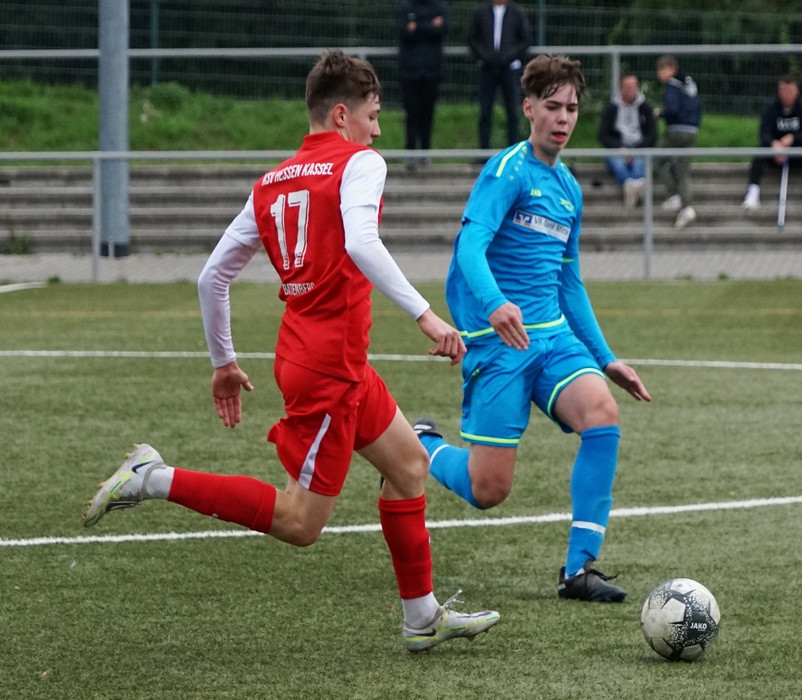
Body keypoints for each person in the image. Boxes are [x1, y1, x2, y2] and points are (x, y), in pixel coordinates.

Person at [83, 49, 499, 653]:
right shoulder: (360, 162)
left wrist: (224, 363)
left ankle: (421, 617)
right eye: (373, 115)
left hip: (327, 361)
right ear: (341, 115)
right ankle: (153, 478)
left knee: (409, 467)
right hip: (327, 369)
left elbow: (211, 278)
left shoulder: (272, 181)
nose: (378, 130)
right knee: (300, 522)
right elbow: (362, 242)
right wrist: (426, 315)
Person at [413, 54, 652, 603]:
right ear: (528, 108)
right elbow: (470, 247)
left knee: (602, 412)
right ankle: (423, 445)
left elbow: (570, 283)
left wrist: (606, 357)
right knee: (489, 489)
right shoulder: (507, 171)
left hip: (553, 339)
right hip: (499, 344)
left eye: (572, 108)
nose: (563, 118)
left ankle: (578, 569)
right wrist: (495, 303)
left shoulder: (569, 189)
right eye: (552, 106)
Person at [742, 73, 802, 210]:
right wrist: (774, 144)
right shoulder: (771, 107)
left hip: (798, 153)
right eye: (783, 90)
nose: (786, 94)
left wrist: (793, 138)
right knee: (760, 151)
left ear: (797, 91)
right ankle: (752, 192)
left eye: (790, 91)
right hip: (776, 154)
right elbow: (763, 133)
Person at [467, 0, 532, 154]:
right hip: (487, 69)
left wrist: (509, 56)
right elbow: (471, 38)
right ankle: (484, 152)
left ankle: (514, 152)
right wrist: (485, 56)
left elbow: (525, 39)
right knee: (485, 112)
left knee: (512, 112)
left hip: (509, 69)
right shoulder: (481, 12)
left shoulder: (517, 13)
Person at [398, 0, 449, 172]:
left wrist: (417, 26)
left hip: (432, 71)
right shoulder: (406, 7)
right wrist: (430, 26)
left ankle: (425, 152)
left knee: (428, 114)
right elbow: (405, 32)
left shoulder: (440, 7)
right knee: (411, 114)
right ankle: (410, 153)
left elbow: (441, 30)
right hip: (410, 71)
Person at [597, 72, 658, 208]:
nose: (629, 90)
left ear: (637, 87)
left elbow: (652, 135)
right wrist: (619, 146)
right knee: (617, 162)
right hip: (618, 148)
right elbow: (602, 134)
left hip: (640, 148)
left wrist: (635, 150)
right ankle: (634, 187)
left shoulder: (646, 108)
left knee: (639, 163)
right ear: (620, 88)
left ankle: (631, 189)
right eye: (626, 86)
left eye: (632, 86)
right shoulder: (611, 109)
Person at [655, 55, 701, 229]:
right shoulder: (689, 84)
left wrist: (661, 113)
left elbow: (673, 109)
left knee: (657, 160)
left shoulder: (672, 85)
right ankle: (687, 207)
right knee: (683, 171)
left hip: (676, 130)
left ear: (672, 69)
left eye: (662, 69)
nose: (660, 74)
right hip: (692, 130)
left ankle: (674, 196)